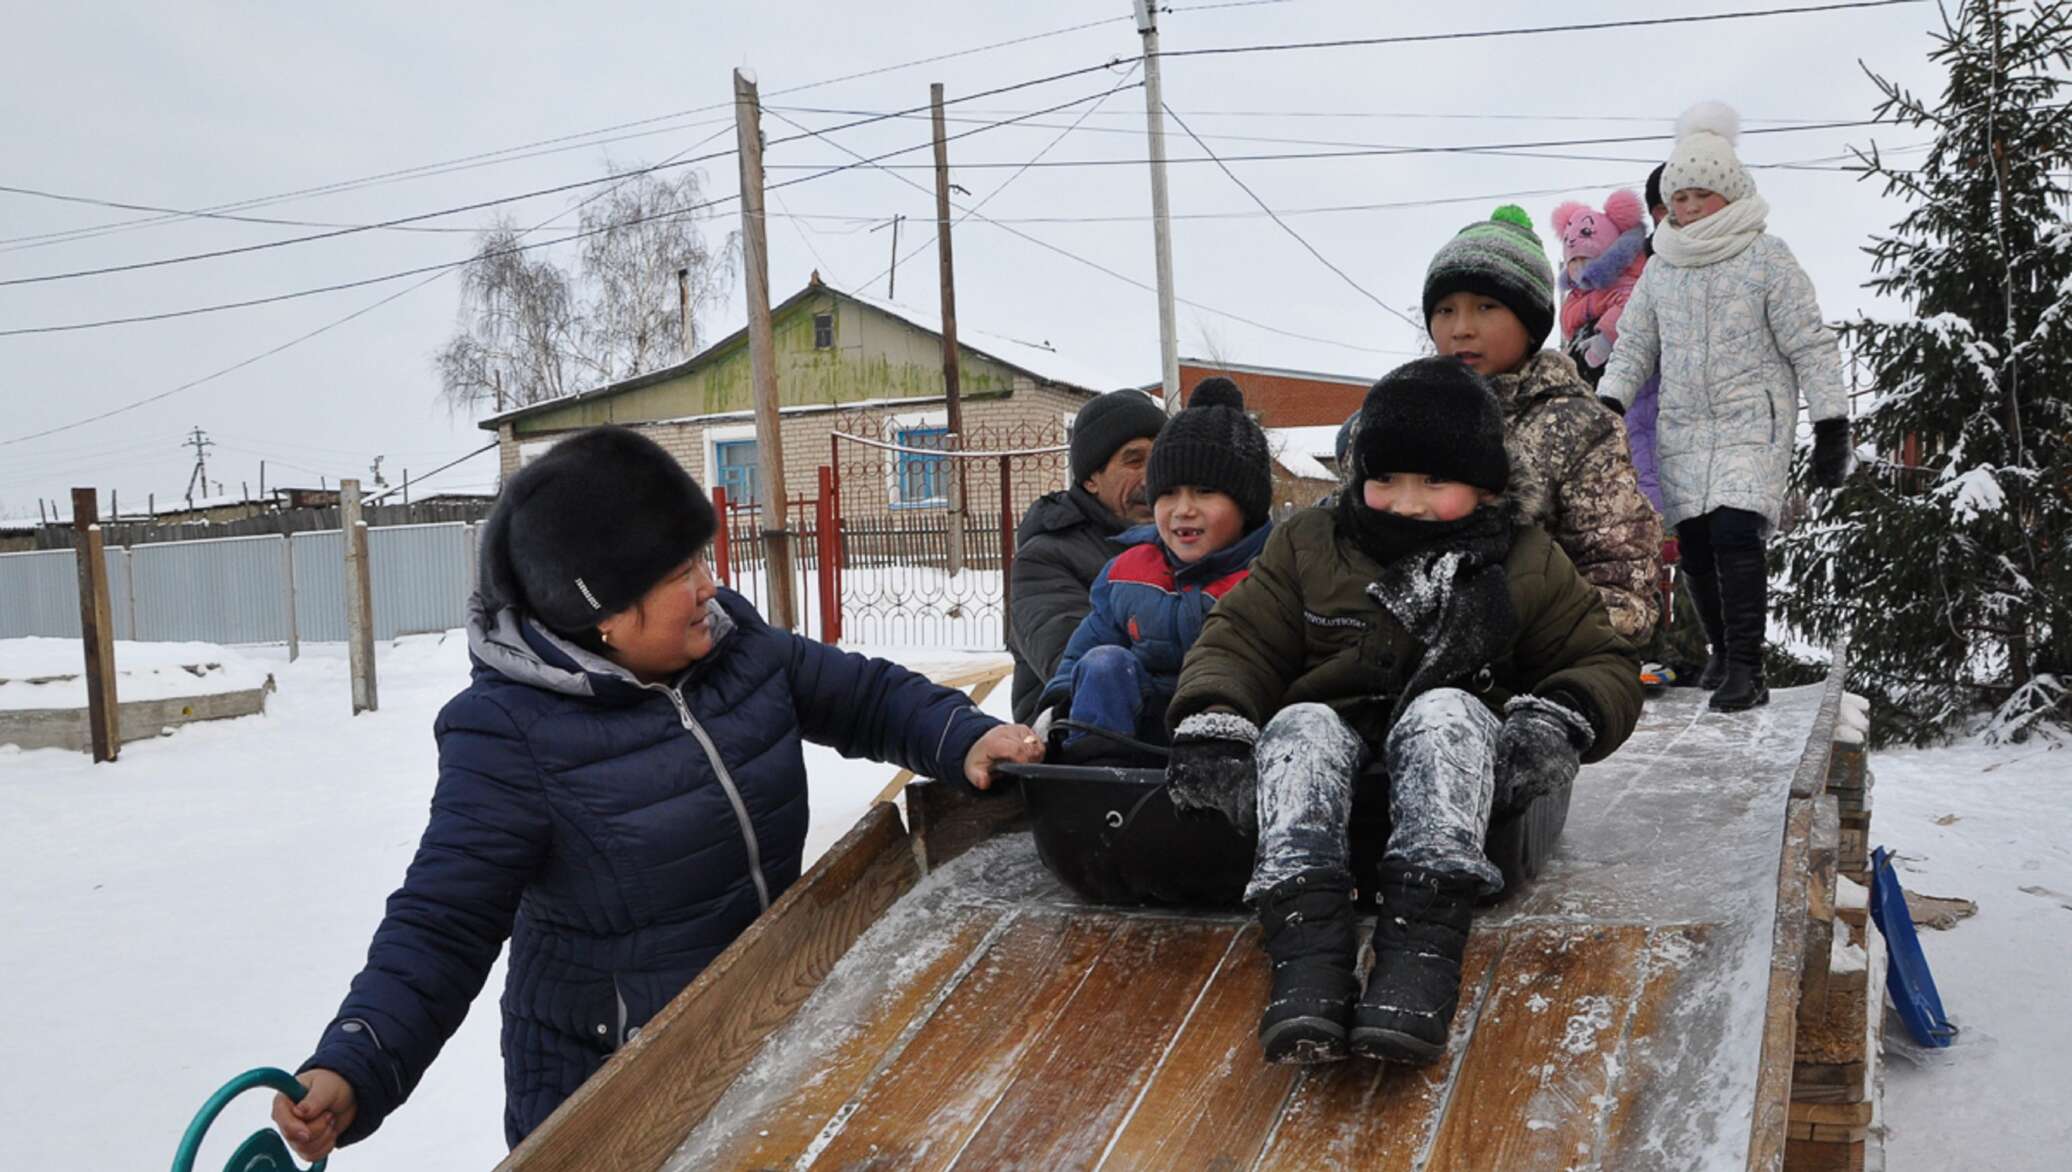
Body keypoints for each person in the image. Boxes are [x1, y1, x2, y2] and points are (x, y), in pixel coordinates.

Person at [271, 427, 1041, 1160]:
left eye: (700, 557)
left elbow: (864, 697)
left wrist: (961, 736)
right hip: (614, 1088)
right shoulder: (510, 733)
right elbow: (443, 922)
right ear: (600, 612)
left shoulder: (737, 648)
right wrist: (358, 1059)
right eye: (679, 574)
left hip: (751, 1025)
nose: (710, 584)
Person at [1162, 359, 1642, 1066]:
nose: (1408, 502)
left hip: (1456, 765)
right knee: (1299, 725)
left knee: (1445, 710)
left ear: (1486, 487)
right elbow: (1240, 640)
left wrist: (1557, 717)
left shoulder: (1525, 561)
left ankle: (1420, 949)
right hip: (1335, 768)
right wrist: (1214, 721)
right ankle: (1307, 952)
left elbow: (1601, 661)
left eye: (1434, 482)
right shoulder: (1310, 545)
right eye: (1387, 480)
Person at [1599, 102, 1853, 711]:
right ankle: (1720, 648)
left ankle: (1748, 667)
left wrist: (1831, 425)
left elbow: (1810, 343)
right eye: (1676, 197)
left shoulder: (1768, 258)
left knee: (1737, 533)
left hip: (1751, 420)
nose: (1684, 208)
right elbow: (1634, 345)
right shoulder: (1663, 269)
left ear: (1729, 193)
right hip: (1684, 423)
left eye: (1698, 196)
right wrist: (1608, 403)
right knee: (1694, 543)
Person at [1389, 204, 1663, 644]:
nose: (1461, 328)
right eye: (1444, 311)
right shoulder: (1402, 416)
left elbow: (1621, 582)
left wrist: (1523, 633)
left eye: (1486, 307)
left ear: (1530, 320)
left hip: (1536, 659)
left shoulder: (1580, 428)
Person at [1038, 378, 1274, 756]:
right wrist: (1058, 706)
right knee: (1103, 663)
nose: (1183, 509)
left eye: (1205, 491)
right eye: (1167, 493)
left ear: (1247, 502)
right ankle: (1093, 781)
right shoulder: (1128, 572)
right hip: (1137, 737)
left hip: (1236, 735)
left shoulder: (1275, 575)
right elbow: (1084, 651)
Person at [1007, 388, 1168, 724]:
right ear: (1091, 479)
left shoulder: (1183, 544)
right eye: (1134, 461)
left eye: (1160, 460)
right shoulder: (1044, 559)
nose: (1152, 477)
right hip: (1074, 748)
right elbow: (1080, 666)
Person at [1553, 188, 1649, 393]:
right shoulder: (1577, 294)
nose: (1579, 268)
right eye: (1574, 262)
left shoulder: (1625, 281)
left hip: (1621, 372)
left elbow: (1631, 305)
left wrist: (1605, 339)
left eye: (1585, 260)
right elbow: (1568, 322)